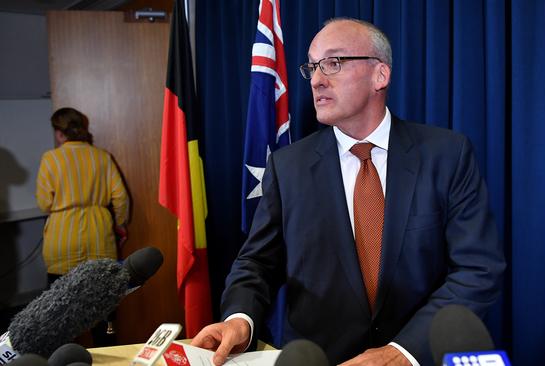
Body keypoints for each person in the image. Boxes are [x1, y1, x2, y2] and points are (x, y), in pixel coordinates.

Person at [192, 18, 505, 366]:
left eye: (333, 63)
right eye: (312, 66)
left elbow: (478, 269)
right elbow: (257, 264)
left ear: (380, 75)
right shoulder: (288, 168)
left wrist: (402, 352)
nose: (316, 79)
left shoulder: (446, 155)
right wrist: (240, 319)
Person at [35, 107, 129, 346]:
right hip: (99, 236)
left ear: (59, 133)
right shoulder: (101, 156)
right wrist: (120, 224)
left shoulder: (51, 158)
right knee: (101, 307)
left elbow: (44, 202)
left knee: (58, 311)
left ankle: (65, 357)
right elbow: (120, 197)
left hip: (61, 239)